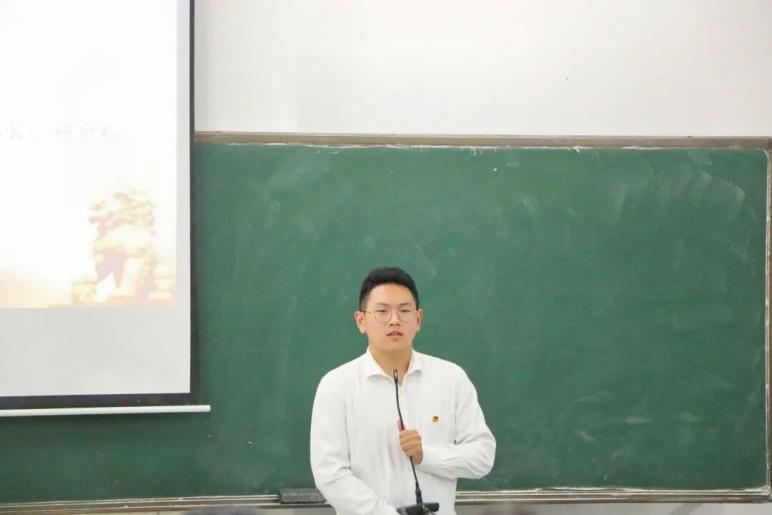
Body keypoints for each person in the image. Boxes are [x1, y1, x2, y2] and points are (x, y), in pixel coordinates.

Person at [310, 267, 496, 515]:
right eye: (382, 311)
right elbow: (330, 474)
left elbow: (482, 456)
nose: (394, 320)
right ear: (361, 321)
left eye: (404, 311)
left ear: (418, 319)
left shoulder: (451, 378)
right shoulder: (336, 386)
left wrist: (425, 455)